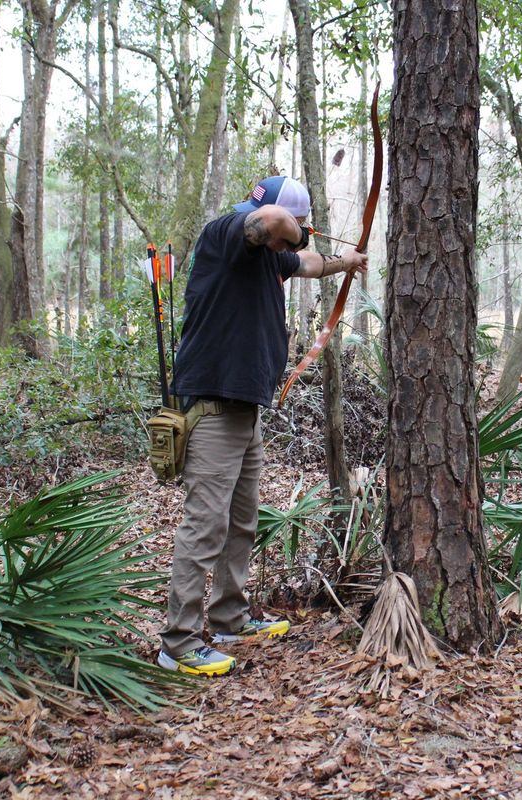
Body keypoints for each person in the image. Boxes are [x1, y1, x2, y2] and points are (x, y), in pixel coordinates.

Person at [157, 175, 368, 676]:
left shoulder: (270, 257)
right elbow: (271, 224)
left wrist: (346, 263)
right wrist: (295, 229)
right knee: (204, 526)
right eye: (288, 231)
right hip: (212, 409)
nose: (286, 243)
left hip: (243, 412)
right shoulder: (227, 234)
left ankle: (229, 616)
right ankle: (179, 643)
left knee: (240, 521)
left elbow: (310, 264)